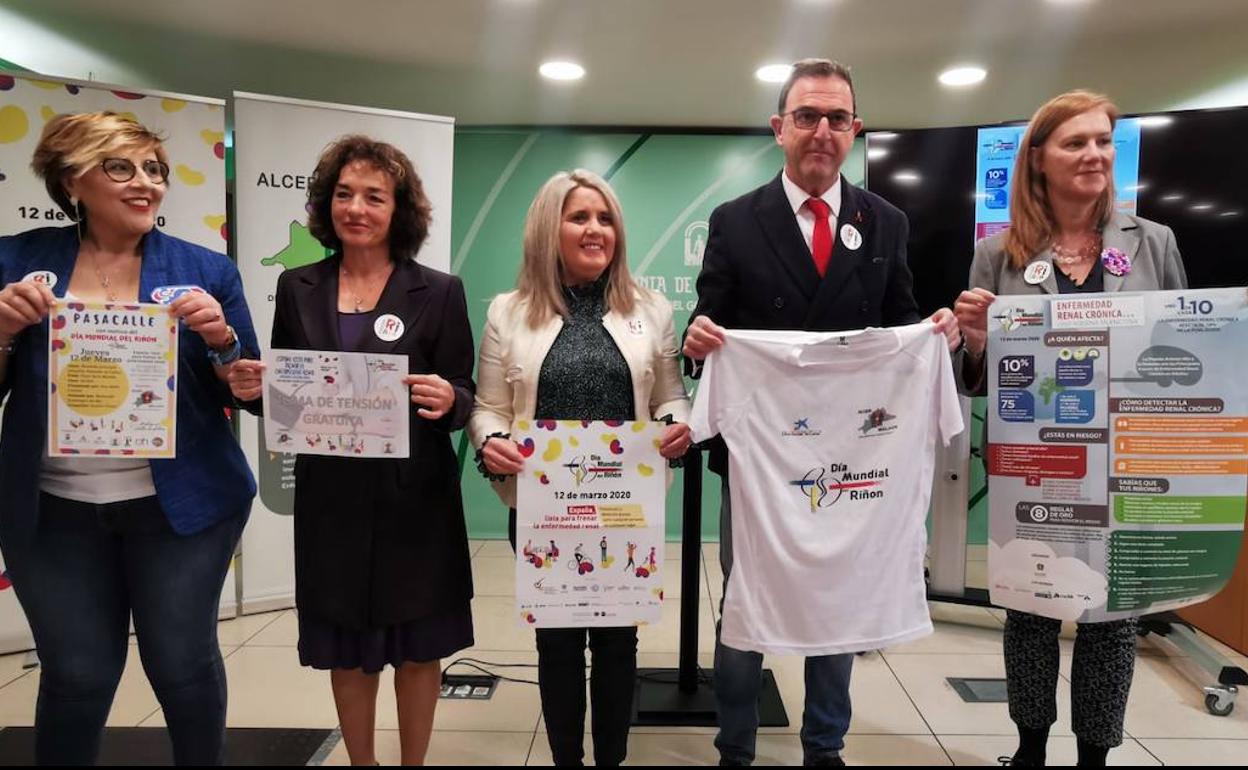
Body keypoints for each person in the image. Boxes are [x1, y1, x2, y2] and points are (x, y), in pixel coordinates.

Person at [682, 59, 961, 767]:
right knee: (746, 601)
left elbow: (899, 321)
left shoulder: (886, 221)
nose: (822, 131)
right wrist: (697, 338)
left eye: (838, 118)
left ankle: (824, 745)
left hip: (852, 452)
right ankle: (735, 746)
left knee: (841, 596)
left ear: (855, 131)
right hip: (762, 458)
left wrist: (931, 334)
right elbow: (710, 320)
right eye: (806, 115)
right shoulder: (735, 221)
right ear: (779, 129)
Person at [0, 111, 260, 765]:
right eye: (122, 167)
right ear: (71, 179)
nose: (146, 183)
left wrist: (222, 341)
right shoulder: (15, 260)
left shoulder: (205, 270)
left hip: (184, 510)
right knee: (78, 674)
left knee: (181, 664)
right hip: (50, 512)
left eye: (155, 170)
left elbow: (250, 391)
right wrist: (2, 333)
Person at [953, 90, 1187, 768]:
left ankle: (1095, 757)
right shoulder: (997, 255)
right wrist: (972, 341)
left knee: (1113, 621)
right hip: (1034, 464)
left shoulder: (1155, 242)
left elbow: (1184, 351)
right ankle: (1029, 750)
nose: (1094, 154)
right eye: (1075, 142)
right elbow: (978, 378)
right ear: (1038, 162)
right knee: (1030, 610)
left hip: (1128, 465)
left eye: (1102, 142)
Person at [227, 136, 476, 766]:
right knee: (348, 646)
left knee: (420, 648)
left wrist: (451, 399)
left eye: (373, 196)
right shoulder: (297, 287)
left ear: (400, 210)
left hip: (416, 499)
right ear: (326, 204)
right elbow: (287, 400)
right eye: (343, 194)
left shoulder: (440, 291)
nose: (356, 208)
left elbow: (468, 395)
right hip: (331, 500)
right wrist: (256, 391)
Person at [468, 169, 691, 767]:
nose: (596, 229)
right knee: (558, 644)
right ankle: (568, 759)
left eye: (605, 218)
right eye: (579, 217)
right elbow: (488, 407)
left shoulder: (652, 308)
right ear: (549, 229)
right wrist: (490, 443)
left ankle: (611, 761)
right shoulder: (507, 313)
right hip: (543, 509)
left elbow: (671, 397)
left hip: (625, 509)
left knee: (620, 645)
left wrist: (675, 427)